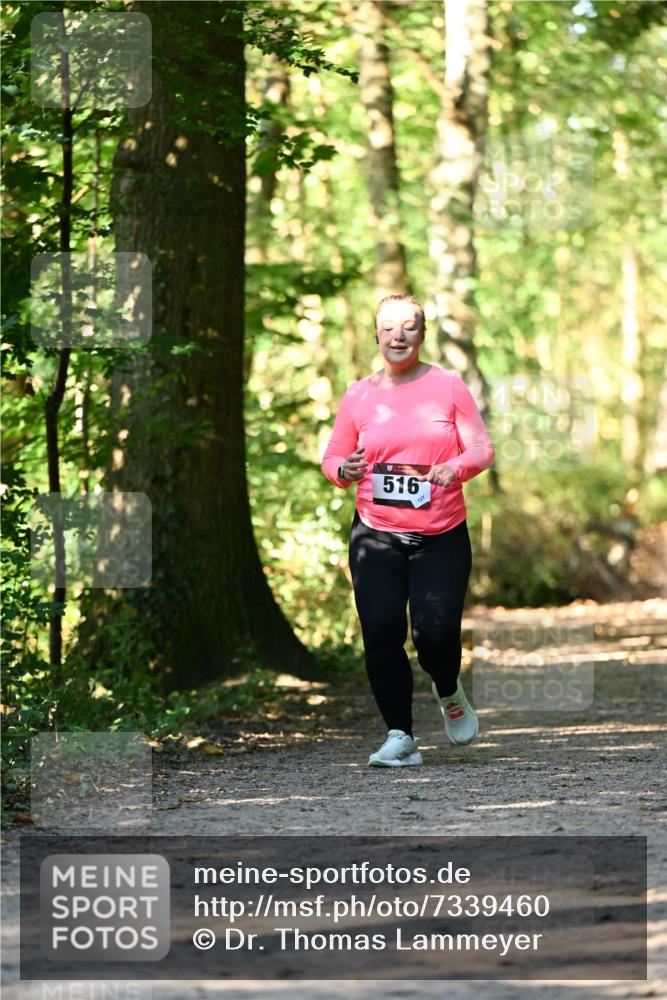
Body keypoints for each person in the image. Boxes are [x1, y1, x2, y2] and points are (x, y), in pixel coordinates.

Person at [321, 293, 495, 767]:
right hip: (376, 533)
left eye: (409, 327)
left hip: (441, 534)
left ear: (422, 334)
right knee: (380, 631)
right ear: (375, 334)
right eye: (388, 327)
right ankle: (400, 736)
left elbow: (481, 448)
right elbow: (333, 458)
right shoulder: (358, 394)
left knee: (435, 636)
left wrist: (455, 468)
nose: (398, 335)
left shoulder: (449, 387)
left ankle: (448, 689)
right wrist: (346, 469)